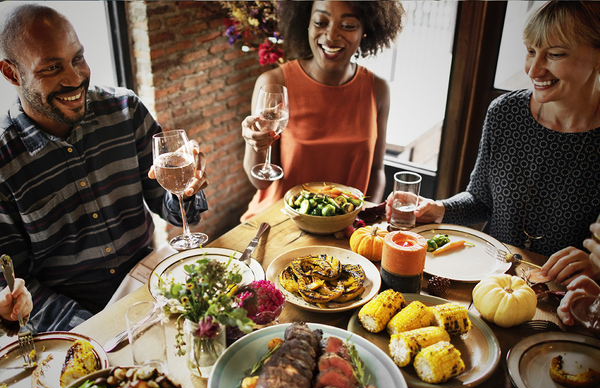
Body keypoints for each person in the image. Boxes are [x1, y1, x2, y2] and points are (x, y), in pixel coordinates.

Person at [0, 4, 208, 334]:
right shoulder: (4, 161)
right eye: (52, 68)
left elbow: (174, 210)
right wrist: (98, 330)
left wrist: (187, 191)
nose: (75, 78)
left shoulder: (125, 109)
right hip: (71, 324)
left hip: (151, 287)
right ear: (12, 74)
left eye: (77, 58)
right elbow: (15, 286)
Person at [386, 1, 600, 286]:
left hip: (562, 293)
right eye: (531, 51)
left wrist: (595, 265)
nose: (534, 70)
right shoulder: (505, 113)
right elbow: (480, 200)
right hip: (488, 279)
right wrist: (439, 208)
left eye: (555, 54)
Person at [240, 1, 405, 221]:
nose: (331, 35)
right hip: (279, 223)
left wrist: (365, 218)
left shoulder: (378, 89)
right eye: (320, 22)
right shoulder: (274, 83)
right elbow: (262, 182)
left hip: (343, 229)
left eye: (347, 25)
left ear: (366, 30)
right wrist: (255, 145)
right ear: (306, 23)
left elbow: (376, 171)